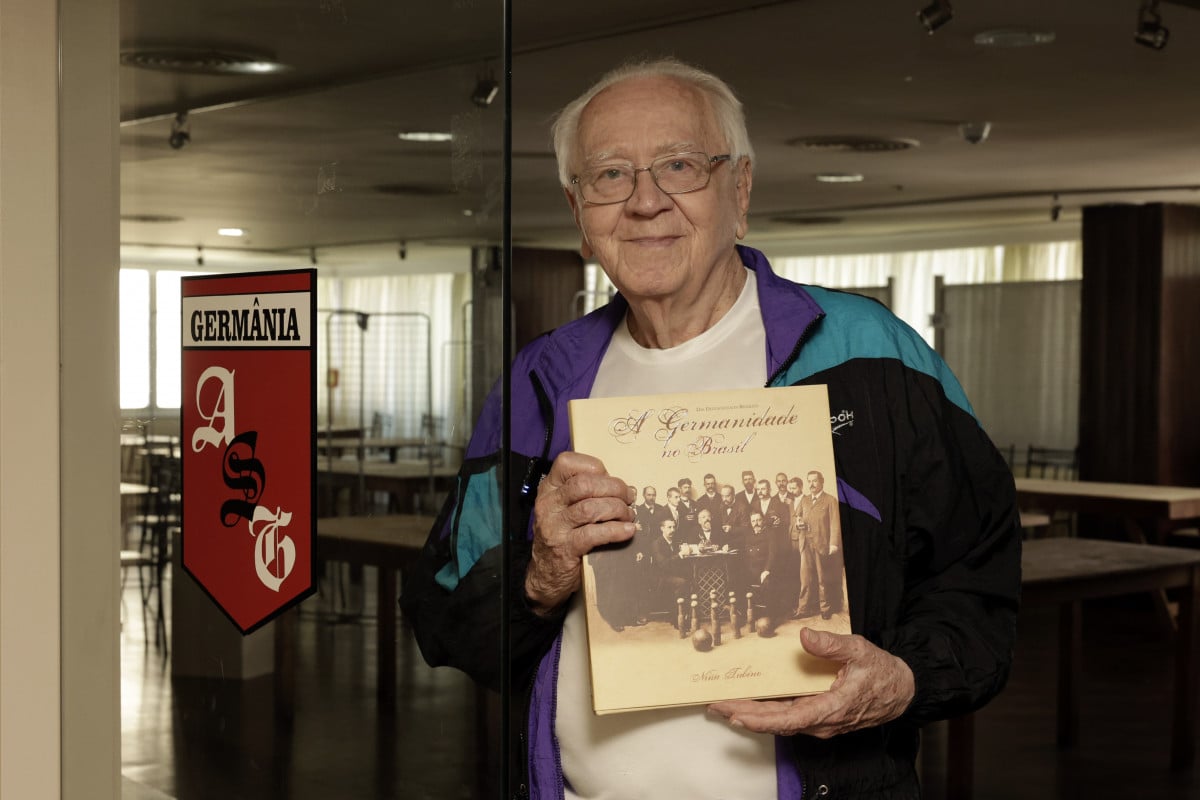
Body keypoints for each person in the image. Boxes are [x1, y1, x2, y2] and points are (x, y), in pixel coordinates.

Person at [401, 57, 1021, 800]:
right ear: (578, 210)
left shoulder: (869, 354)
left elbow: (979, 578)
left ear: (741, 189)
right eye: (609, 176)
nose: (644, 201)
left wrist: (903, 679)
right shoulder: (541, 381)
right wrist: (536, 580)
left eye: (680, 165)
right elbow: (445, 616)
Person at [795, 469, 844, 620]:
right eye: (809, 481)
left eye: (814, 481)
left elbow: (835, 523)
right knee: (805, 579)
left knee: (822, 579)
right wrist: (798, 523)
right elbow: (797, 516)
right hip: (805, 544)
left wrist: (833, 544)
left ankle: (825, 608)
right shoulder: (804, 500)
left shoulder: (830, 500)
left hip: (821, 544)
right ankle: (802, 609)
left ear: (822, 482)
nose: (811, 484)